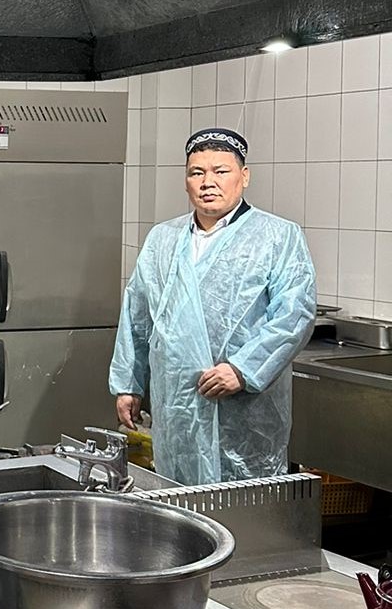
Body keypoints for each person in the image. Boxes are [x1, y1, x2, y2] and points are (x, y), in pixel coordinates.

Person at [109, 127, 316, 485]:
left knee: (241, 503)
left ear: (244, 176)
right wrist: (130, 384)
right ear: (186, 181)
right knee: (177, 499)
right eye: (197, 172)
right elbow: (137, 315)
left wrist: (243, 369)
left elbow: (294, 315)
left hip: (242, 411)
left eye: (221, 171)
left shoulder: (278, 236)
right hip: (177, 405)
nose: (208, 182)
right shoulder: (162, 239)